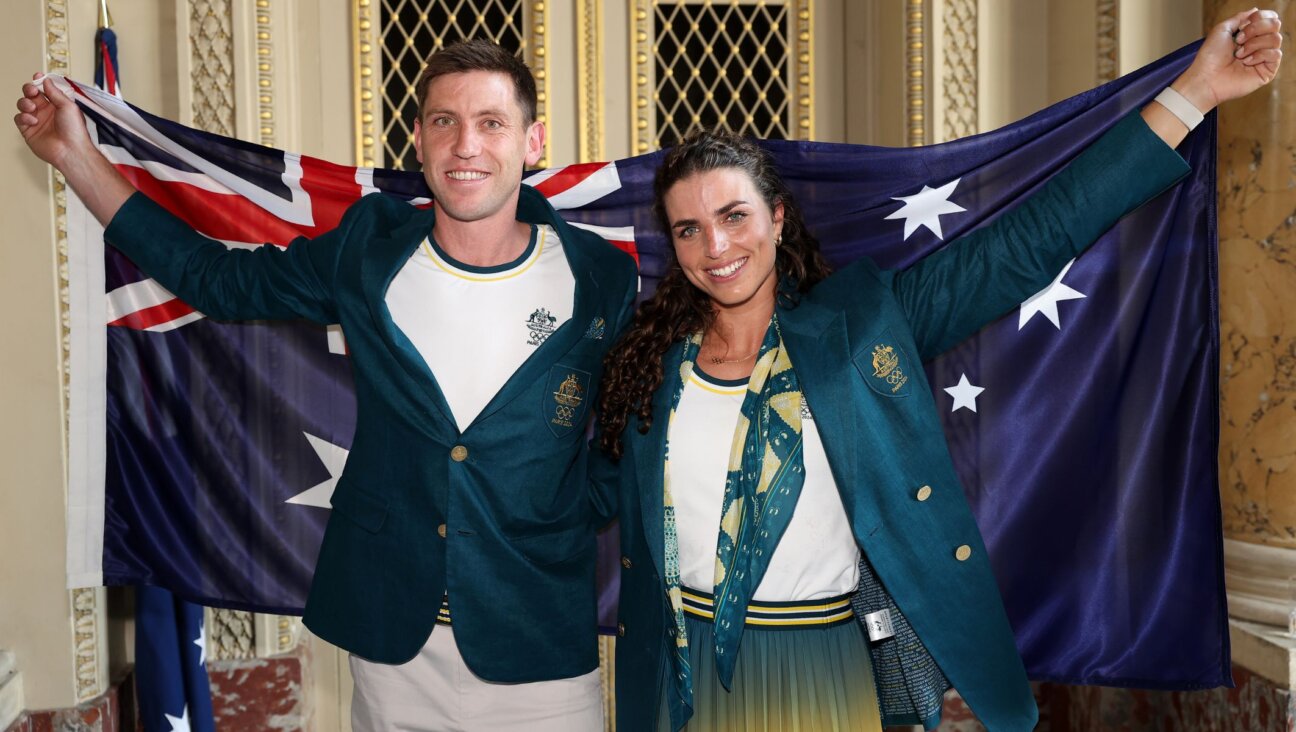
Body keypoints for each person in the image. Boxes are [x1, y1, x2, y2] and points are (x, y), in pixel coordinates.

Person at [596, 9, 1282, 732]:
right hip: (677, 674)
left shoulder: (861, 325)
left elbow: (1031, 241)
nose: (717, 246)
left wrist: (1197, 93)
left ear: (775, 216)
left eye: (735, 216)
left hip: (823, 663)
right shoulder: (652, 367)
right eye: (689, 229)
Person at [15, 40, 637, 731]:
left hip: (541, 642)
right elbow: (216, 282)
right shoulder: (367, 250)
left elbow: (631, 413)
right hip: (395, 649)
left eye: (491, 122)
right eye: (443, 121)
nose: (466, 144)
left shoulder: (599, 275)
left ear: (531, 142)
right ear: (419, 139)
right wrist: (74, 156)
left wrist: (581, 501)